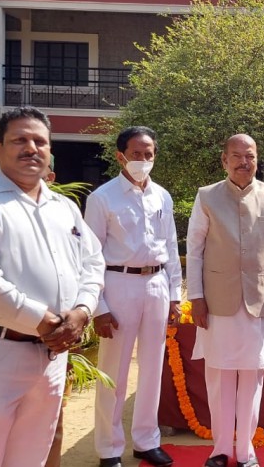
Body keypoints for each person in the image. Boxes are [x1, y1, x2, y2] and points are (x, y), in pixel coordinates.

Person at [0, 106, 104, 467]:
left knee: (31, 456)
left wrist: (81, 312)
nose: (31, 148)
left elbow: (93, 263)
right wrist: (45, 322)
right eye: (20, 140)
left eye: (40, 141)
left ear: (50, 151)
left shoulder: (64, 207)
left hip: (49, 358)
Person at [186, 134, 264, 467]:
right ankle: (220, 450)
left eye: (250, 156)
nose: (244, 162)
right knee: (218, 378)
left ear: (257, 159)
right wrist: (196, 297)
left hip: (260, 302)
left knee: (251, 378)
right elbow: (194, 250)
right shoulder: (206, 197)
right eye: (237, 156)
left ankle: (246, 452)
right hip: (218, 302)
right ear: (224, 160)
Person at [85, 126, 182, 467]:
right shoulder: (102, 198)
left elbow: (170, 247)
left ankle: (145, 440)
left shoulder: (162, 196)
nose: (143, 160)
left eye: (149, 154)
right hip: (118, 283)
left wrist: (174, 296)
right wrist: (99, 306)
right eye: (137, 153)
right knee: (115, 369)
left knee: (153, 368)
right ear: (120, 156)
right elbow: (90, 254)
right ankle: (109, 449)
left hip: (156, 282)